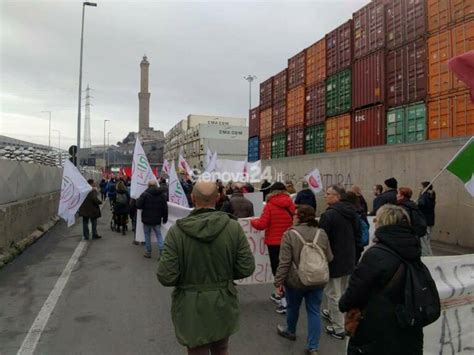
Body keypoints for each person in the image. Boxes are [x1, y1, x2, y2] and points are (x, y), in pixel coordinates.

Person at [157, 181, 255, 354]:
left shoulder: (176, 232)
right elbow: (246, 268)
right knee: (221, 349)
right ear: (218, 198)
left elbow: (166, 276)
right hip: (223, 301)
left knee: (196, 350)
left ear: (192, 198)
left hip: (190, 304)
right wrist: (225, 275)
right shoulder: (233, 227)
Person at [339, 204, 423, 355]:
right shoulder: (414, 250)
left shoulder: (376, 254)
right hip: (407, 325)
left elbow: (355, 291)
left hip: (377, 326)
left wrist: (344, 304)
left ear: (383, 223)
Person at [274, 205, 333, 355]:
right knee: (314, 311)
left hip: (296, 280)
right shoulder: (321, 233)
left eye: (294, 214)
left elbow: (285, 262)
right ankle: (313, 346)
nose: (292, 217)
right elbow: (330, 257)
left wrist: (278, 282)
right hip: (317, 279)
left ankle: (290, 331)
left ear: (299, 217)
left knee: (293, 307)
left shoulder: (290, 234)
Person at [319, 185, 360, 340]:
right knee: (341, 291)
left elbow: (323, 240)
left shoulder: (329, 215)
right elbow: (358, 235)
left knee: (333, 293)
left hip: (334, 259)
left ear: (337, 196)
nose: (325, 196)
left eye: (328, 194)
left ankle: (338, 327)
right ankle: (332, 314)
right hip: (348, 257)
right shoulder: (352, 212)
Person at [251, 182, 296, 314]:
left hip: (274, 243)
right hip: (289, 241)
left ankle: (283, 300)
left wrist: (252, 221)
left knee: (278, 271)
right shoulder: (291, 204)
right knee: (288, 269)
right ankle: (289, 296)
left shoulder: (270, 206)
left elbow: (261, 224)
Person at [136, 180, 168, 259]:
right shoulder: (162, 195)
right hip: (157, 219)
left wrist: (138, 200)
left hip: (146, 219)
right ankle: (162, 252)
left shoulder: (145, 194)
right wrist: (165, 218)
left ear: (148, 186)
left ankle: (148, 252)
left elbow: (138, 206)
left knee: (147, 236)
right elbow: (165, 208)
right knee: (159, 235)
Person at [417, 182, 435, 256]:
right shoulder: (431, 195)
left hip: (424, 221)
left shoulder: (425, 196)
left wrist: (417, 202)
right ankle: (429, 255)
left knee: (424, 240)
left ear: (425, 187)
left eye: (421, 186)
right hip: (429, 220)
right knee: (427, 240)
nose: (420, 188)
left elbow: (422, 204)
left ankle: (427, 256)